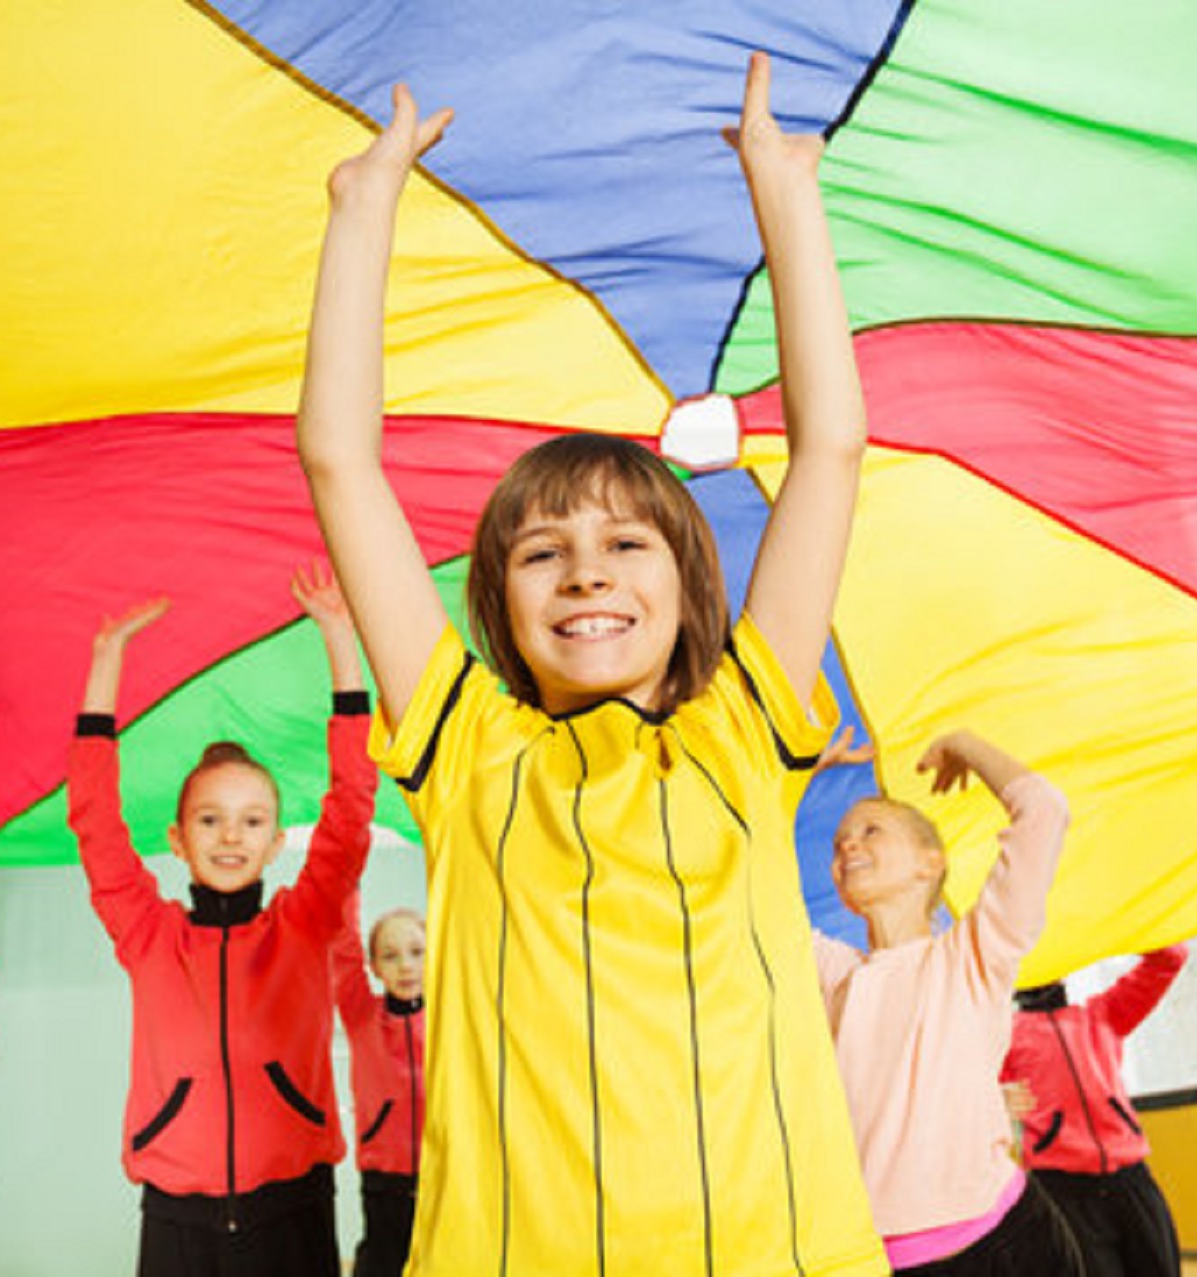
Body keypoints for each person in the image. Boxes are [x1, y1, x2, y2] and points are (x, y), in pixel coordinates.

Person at [295, 51, 885, 1277]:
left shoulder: (744, 729)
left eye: (626, 544)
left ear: (688, 589)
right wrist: (363, 211)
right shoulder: (466, 752)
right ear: (500, 609)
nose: (586, 574)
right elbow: (342, 464)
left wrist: (788, 201)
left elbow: (829, 451)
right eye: (542, 553)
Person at [67, 566, 374, 1276]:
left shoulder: (305, 923)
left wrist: (339, 638)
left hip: (293, 1202)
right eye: (210, 819)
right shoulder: (148, 934)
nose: (231, 836)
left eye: (251, 820)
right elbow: (94, 821)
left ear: (276, 840)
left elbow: (352, 805)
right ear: (177, 838)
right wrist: (106, 663)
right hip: (177, 1210)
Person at [814, 731, 1085, 1276]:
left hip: (1010, 1245)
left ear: (929, 863)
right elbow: (745, 885)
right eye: (839, 843)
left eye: (871, 831)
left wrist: (966, 745)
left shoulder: (972, 954)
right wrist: (791, 777)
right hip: (886, 1261)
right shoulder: (833, 973)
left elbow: (1044, 810)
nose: (847, 846)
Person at [1002, 945, 1190, 1277]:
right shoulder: (1004, 1036)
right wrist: (995, 1096)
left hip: (1130, 1183)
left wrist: (1120, 931)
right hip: (1063, 1193)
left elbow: (1171, 958)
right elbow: (960, 1089)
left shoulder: (1103, 1014)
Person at [331, 901, 426, 1277]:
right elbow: (343, 946)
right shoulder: (362, 1016)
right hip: (384, 1178)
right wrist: (348, 871)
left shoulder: (449, 1016)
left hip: (444, 1176)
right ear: (374, 967)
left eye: (417, 953)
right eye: (390, 956)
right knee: (382, 1264)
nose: (405, 965)